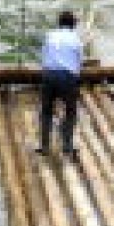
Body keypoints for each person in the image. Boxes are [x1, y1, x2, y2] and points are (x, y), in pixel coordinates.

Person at [38, 10, 83, 156]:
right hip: (67, 76)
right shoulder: (76, 39)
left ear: (59, 23)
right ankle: (67, 145)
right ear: (73, 25)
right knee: (70, 111)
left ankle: (44, 146)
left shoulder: (50, 35)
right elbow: (78, 63)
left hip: (49, 74)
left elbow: (44, 57)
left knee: (46, 111)